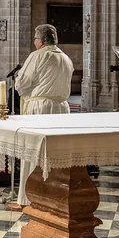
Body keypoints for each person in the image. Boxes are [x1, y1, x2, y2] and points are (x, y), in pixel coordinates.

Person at [15, 24, 74, 200]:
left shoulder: (37, 55)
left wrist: (28, 93)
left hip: (40, 108)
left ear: (40, 41)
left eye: (35, 38)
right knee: (57, 154)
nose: (34, 42)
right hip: (62, 109)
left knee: (34, 152)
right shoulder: (66, 58)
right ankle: (56, 196)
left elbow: (21, 84)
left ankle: (32, 196)